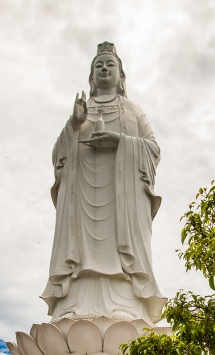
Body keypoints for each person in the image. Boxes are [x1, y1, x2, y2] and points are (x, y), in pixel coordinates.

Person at [40, 42, 167, 324]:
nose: (105, 69)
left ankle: (126, 306)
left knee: (119, 252)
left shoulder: (133, 110)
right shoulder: (79, 112)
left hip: (122, 199)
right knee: (81, 252)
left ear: (121, 77)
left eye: (111, 65)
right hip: (82, 196)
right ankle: (72, 305)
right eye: (99, 66)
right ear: (91, 76)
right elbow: (58, 156)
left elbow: (153, 149)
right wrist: (73, 125)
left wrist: (120, 142)